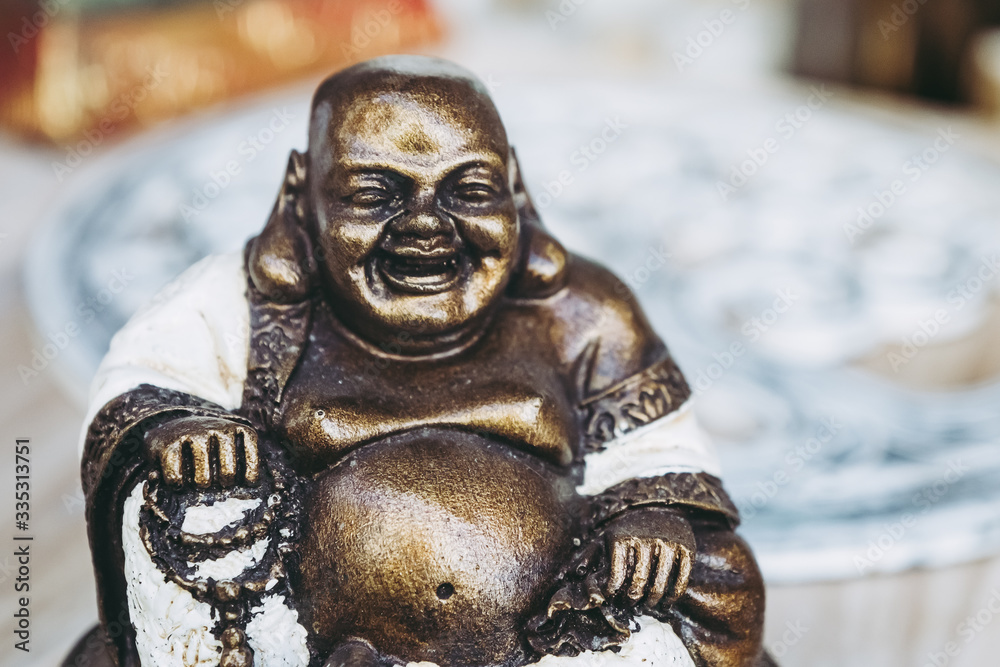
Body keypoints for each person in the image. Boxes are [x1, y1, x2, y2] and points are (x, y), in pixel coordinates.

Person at [69, 56, 771, 667]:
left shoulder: (582, 310)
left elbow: (658, 451)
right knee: (180, 510)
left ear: (514, 186)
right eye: (375, 194)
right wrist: (174, 429)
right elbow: (138, 387)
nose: (427, 225)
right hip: (294, 616)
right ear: (301, 192)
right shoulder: (240, 303)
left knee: (721, 575)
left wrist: (652, 519)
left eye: (468, 190)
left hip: (561, 615)